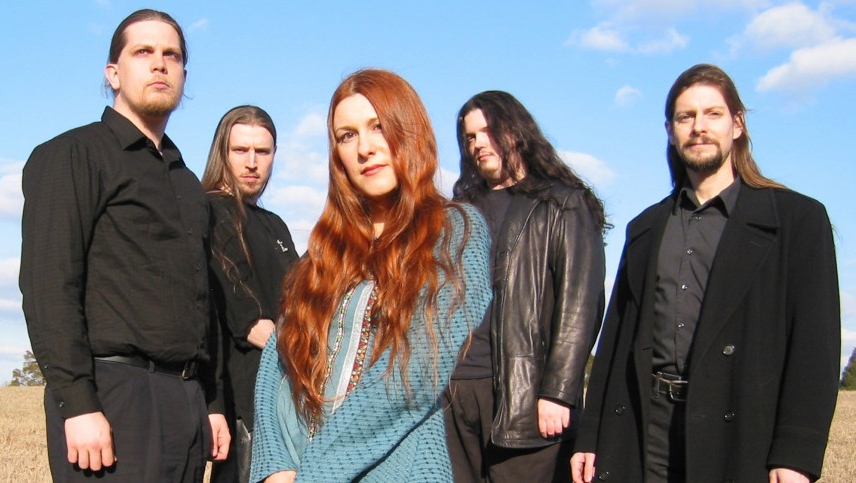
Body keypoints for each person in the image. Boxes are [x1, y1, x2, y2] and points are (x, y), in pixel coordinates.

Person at [571, 64, 841, 483]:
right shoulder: (645, 228)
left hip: (741, 433)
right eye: (686, 117)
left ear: (738, 124)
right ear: (670, 130)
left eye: (713, 114)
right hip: (645, 432)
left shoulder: (796, 220)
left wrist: (796, 456)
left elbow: (814, 347)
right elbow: (616, 338)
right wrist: (590, 435)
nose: (699, 127)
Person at [249, 68, 492, 482]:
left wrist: (315, 472)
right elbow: (278, 360)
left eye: (378, 127)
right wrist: (276, 463)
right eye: (347, 136)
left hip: (394, 471)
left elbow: (416, 371)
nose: (365, 148)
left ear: (409, 130)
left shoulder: (455, 231)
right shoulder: (323, 253)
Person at [19, 9, 229, 482]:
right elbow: (49, 285)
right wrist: (78, 403)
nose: (159, 64)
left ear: (183, 74)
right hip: (112, 396)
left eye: (172, 55)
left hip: (185, 402)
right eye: (143, 52)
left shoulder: (187, 184)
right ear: (113, 73)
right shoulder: (73, 155)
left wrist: (212, 401)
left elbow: (203, 300)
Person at [445, 90, 607, 483]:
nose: (478, 143)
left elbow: (581, 304)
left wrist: (558, 392)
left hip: (525, 397)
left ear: (515, 131)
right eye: (469, 136)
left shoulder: (562, 204)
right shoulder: (458, 212)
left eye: (488, 131)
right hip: (454, 395)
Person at [202, 106, 299, 482]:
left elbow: (300, 303)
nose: (252, 162)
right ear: (221, 152)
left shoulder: (275, 225)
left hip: (288, 396)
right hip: (244, 403)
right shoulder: (209, 212)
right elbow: (249, 321)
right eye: (241, 150)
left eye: (263, 151)